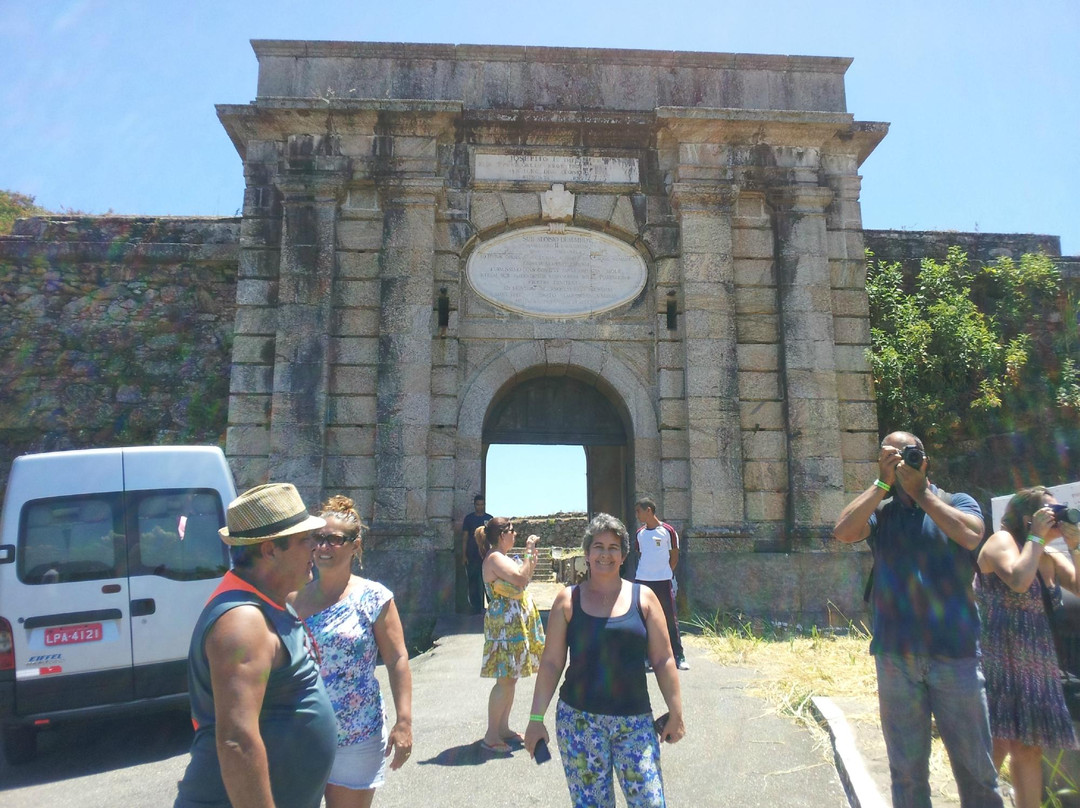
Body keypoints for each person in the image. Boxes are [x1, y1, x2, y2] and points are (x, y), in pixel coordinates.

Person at [833, 431, 1004, 808]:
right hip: (896, 658)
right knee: (907, 774)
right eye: (888, 455)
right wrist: (882, 484)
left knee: (976, 771)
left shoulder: (956, 501)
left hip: (955, 656)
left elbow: (973, 535)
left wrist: (922, 492)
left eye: (907, 454)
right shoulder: (882, 512)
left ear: (924, 459)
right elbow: (843, 532)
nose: (899, 460)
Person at [174, 483, 337, 808]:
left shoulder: (270, 603)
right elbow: (237, 741)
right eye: (306, 541)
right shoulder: (243, 622)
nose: (316, 551)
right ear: (270, 550)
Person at [524, 513, 686, 808]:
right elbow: (551, 663)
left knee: (650, 802)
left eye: (613, 547)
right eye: (598, 546)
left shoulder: (645, 598)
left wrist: (676, 712)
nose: (605, 554)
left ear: (624, 555)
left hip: (634, 722)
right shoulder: (567, 600)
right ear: (586, 553)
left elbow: (663, 659)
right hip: (579, 723)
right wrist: (536, 719)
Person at [291, 495, 413, 808]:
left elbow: (398, 659)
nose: (323, 547)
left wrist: (404, 722)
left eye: (334, 540)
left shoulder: (374, 598)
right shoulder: (291, 598)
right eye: (317, 538)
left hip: (357, 734)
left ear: (355, 545)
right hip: (296, 734)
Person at [975, 487, 1080, 808]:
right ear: (1027, 518)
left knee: (1029, 749)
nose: (1056, 518)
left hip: (1037, 666)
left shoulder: (1048, 556)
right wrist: (1036, 537)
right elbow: (1019, 580)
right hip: (1000, 660)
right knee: (997, 744)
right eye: (1050, 513)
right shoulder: (1001, 542)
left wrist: (1075, 545)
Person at [478, 516, 545, 752]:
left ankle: (503, 728)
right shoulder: (495, 557)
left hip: (512, 622)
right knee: (505, 679)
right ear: (502, 534)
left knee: (510, 678)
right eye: (512, 531)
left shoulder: (502, 558)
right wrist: (528, 551)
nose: (515, 534)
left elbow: (523, 580)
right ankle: (491, 735)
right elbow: (520, 578)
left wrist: (530, 559)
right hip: (504, 624)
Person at [633, 497, 687, 671]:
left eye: (638, 511)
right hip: (642, 581)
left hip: (663, 581)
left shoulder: (668, 531)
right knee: (642, 620)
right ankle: (645, 656)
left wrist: (664, 572)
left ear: (648, 510)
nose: (637, 514)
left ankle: (678, 655)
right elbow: (641, 555)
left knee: (670, 618)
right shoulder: (639, 534)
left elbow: (674, 557)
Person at [461, 493, 491, 614]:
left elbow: (493, 538)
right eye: (477, 504)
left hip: (486, 557)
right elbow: (464, 538)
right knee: (473, 582)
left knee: (488, 582)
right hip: (472, 555)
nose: (480, 507)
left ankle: (492, 607)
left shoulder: (489, 519)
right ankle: (475, 608)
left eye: (482, 504)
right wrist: (463, 555)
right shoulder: (469, 519)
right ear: (474, 505)